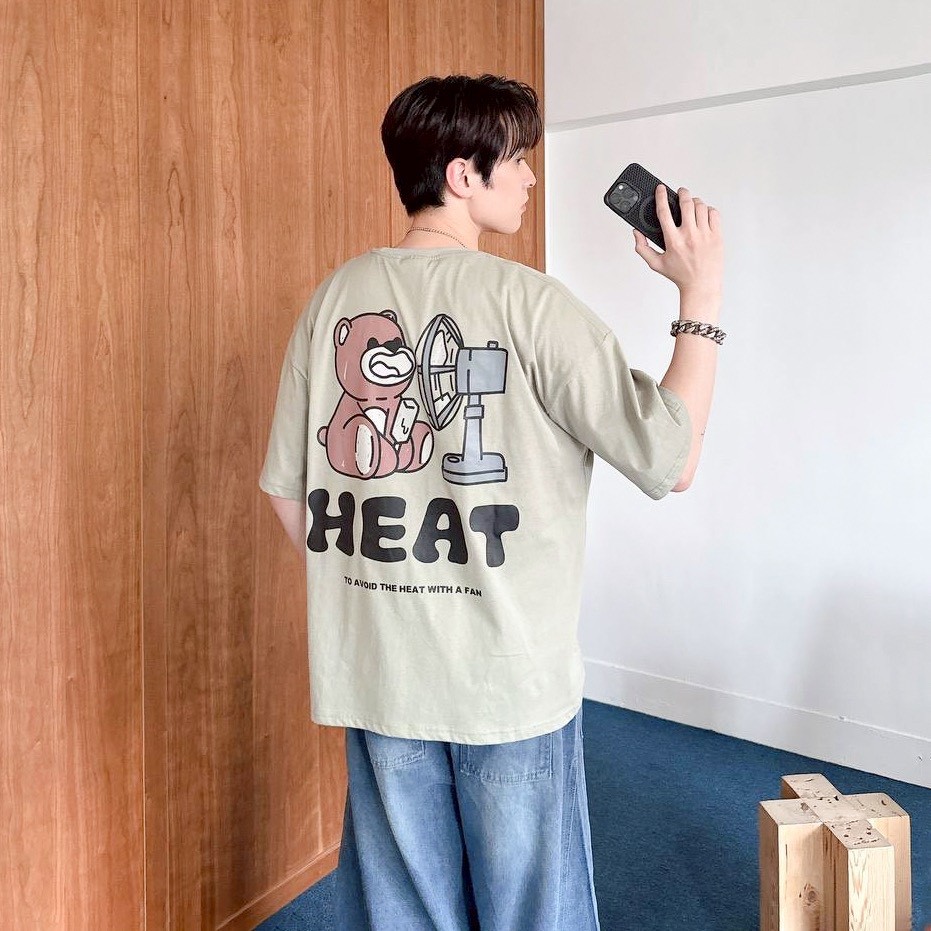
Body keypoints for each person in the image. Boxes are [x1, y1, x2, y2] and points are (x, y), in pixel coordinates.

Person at [259, 73, 723, 931]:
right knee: (533, 910)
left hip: (380, 668)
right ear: (462, 175)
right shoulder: (532, 305)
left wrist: (390, 585)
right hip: (505, 676)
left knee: (402, 911)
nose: (530, 177)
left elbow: (292, 497)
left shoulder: (333, 301)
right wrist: (700, 300)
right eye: (516, 159)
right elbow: (674, 456)